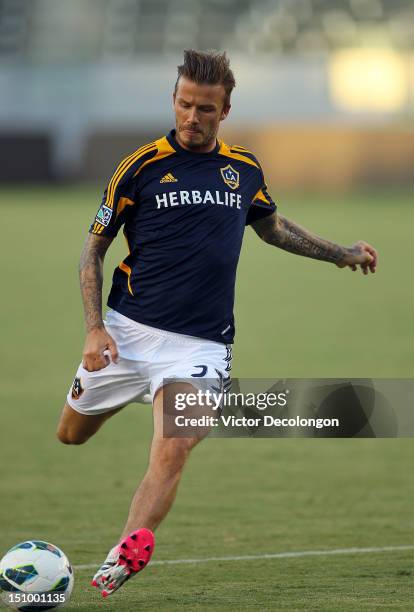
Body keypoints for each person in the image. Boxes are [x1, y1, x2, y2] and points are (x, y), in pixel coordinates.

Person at [56, 49, 377, 597]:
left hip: (199, 347)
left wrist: (341, 252)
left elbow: (274, 229)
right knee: (71, 434)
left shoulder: (243, 169)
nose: (193, 117)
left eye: (206, 108)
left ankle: (127, 549)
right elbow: (92, 253)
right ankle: (127, 396)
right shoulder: (139, 166)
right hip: (127, 334)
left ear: (224, 110)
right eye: (185, 104)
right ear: (174, 101)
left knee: (173, 443)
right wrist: (94, 329)